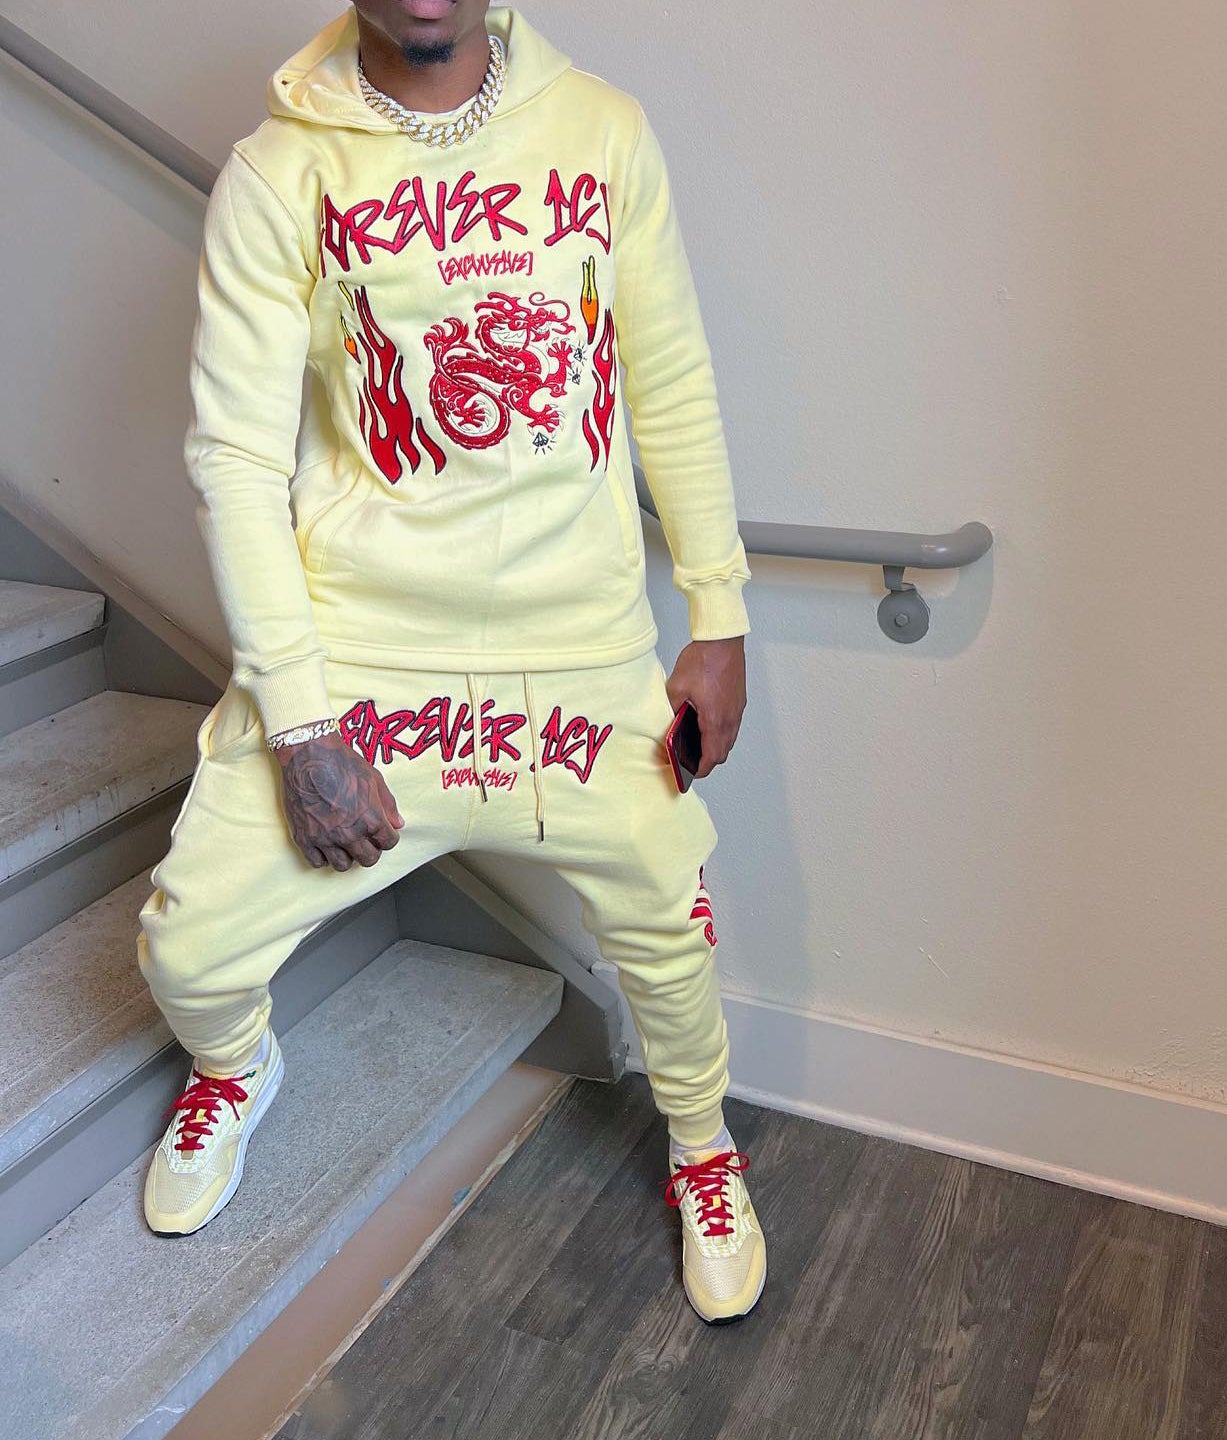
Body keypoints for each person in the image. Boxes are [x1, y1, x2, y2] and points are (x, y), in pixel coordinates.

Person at [134, 0, 764, 1326]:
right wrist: (299, 725)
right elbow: (235, 462)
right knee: (187, 951)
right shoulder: (279, 173)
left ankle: (703, 1146)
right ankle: (238, 1068)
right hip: (365, 651)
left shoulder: (603, 132)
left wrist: (719, 613)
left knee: (671, 933)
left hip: (578, 641)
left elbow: (670, 380)